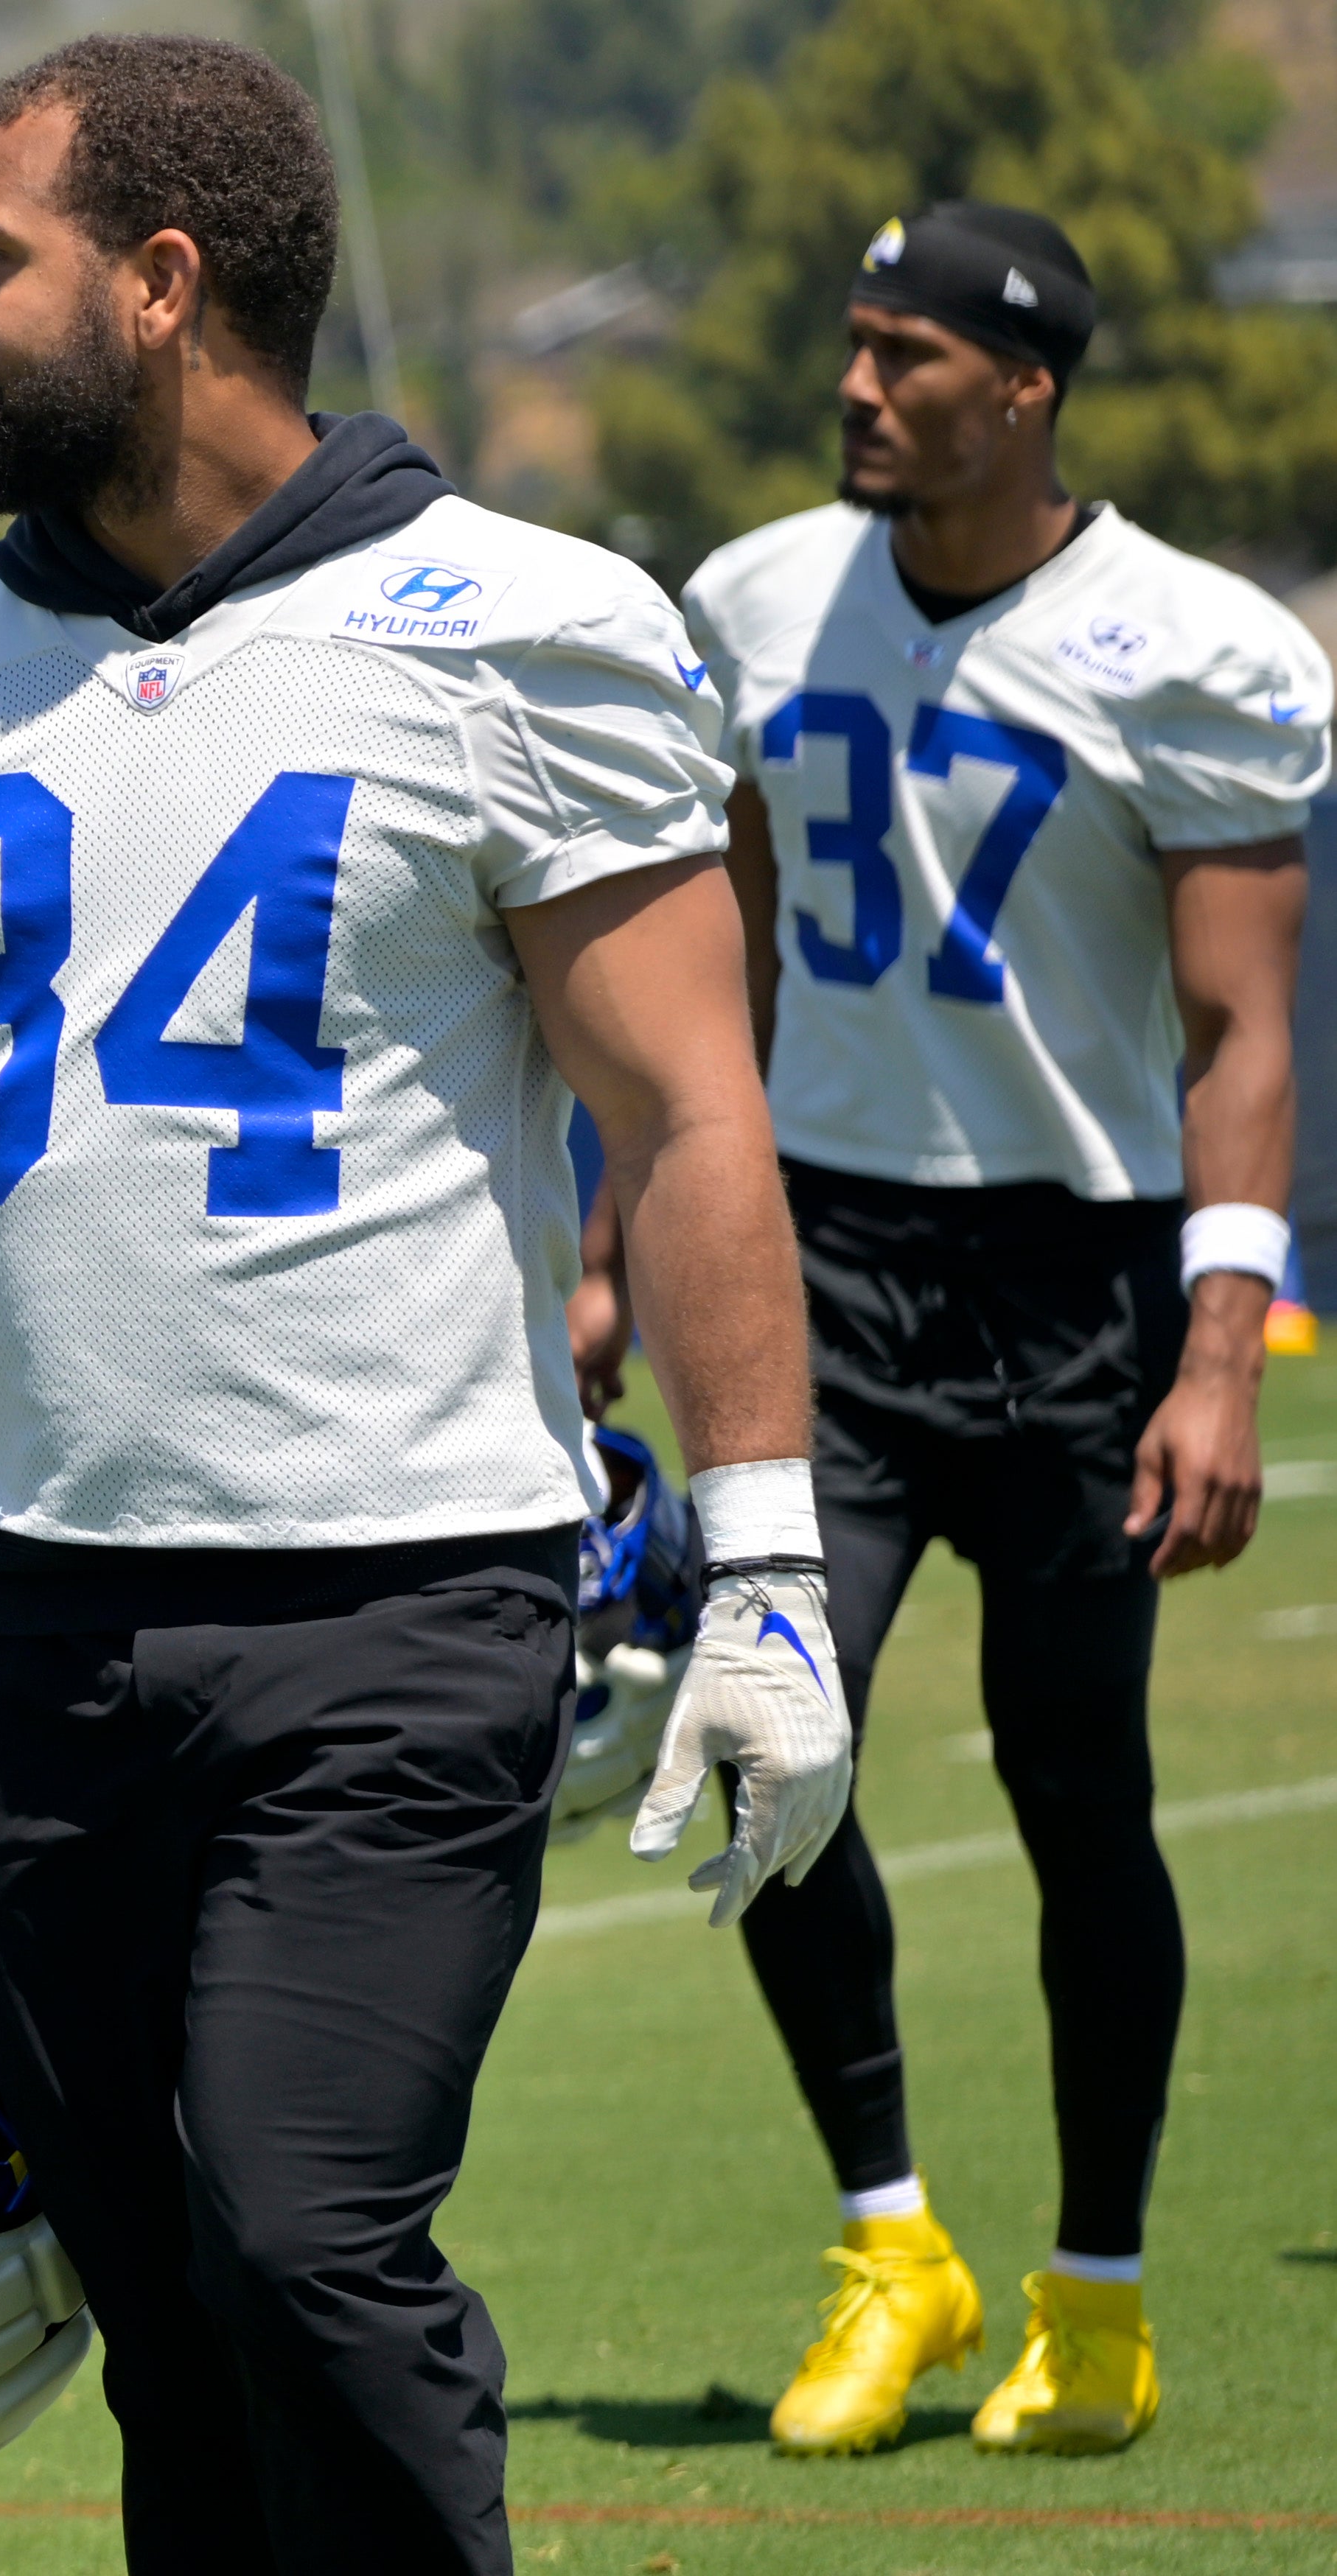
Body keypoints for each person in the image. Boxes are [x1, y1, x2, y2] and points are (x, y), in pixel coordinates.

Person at [0, 38, 853, 2572]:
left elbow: (688, 1116)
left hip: (391, 1594)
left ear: (159, 289)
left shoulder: (529, 629)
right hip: (13, 1607)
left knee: (301, 2234)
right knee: (152, 2299)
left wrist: (767, 1562)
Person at [649, 200, 1326, 2460]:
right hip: (817, 1264)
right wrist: (609, 1240)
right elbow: (706, 979)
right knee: (767, 1740)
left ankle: (1097, 2286)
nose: (854, 389)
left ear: (1018, 389)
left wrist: (1218, 1346)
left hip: (1075, 1280)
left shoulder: (1187, 643)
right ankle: (890, 2243)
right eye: (846, 347)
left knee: (1074, 1795)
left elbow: (1240, 1028)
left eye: (900, 356)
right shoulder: (747, 601)